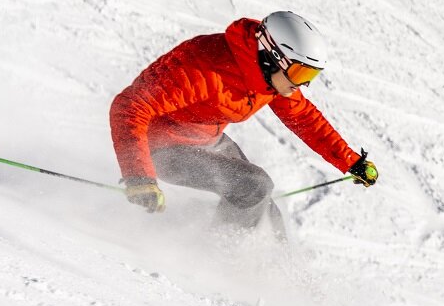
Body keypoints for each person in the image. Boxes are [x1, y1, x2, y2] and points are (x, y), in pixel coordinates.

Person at [109, 12, 378, 231]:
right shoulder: (205, 67)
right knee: (254, 186)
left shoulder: (270, 80)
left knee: (262, 200)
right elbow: (129, 107)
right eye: (300, 71)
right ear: (273, 56)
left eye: (311, 74)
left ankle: (280, 269)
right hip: (161, 150)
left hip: (206, 141)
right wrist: (139, 176)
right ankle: (221, 259)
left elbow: (304, 118)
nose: (304, 82)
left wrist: (351, 161)